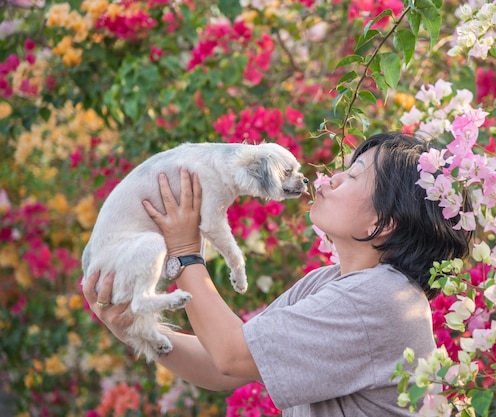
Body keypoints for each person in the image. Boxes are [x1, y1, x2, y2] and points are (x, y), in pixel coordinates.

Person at [82, 132, 471, 416]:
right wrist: (137, 329)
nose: (332, 177)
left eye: (353, 176)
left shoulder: (381, 298)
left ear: (383, 222)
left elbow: (231, 356)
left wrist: (184, 253)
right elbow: (222, 369)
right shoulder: (329, 283)